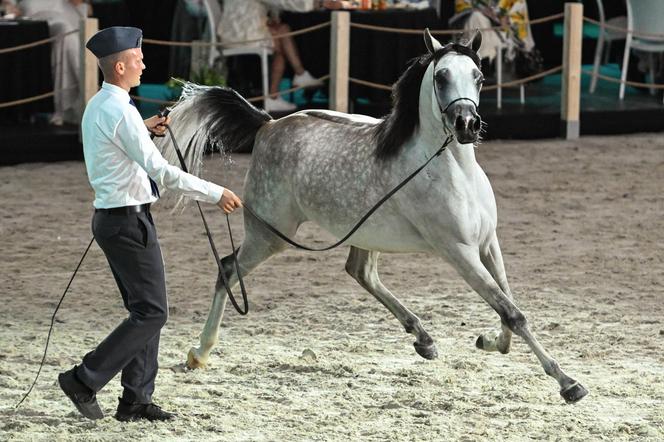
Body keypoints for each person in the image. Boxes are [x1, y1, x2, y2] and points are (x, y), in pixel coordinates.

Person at [57, 26, 243, 422]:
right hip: (127, 222)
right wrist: (215, 192)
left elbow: (117, 138)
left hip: (116, 220)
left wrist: (144, 128)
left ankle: (136, 399)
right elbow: (161, 169)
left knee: (144, 310)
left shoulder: (104, 106)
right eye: (138, 59)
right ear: (120, 65)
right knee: (153, 313)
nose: (144, 64)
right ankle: (84, 378)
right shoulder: (119, 110)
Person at [219, 0, 343, 112]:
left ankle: (292, 81)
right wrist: (318, 3)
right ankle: (288, 83)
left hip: (238, 27)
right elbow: (284, 1)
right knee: (282, 38)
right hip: (240, 32)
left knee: (283, 31)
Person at [6, 0, 93, 125]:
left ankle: (83, 97)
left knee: (71, 35)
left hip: (65, 9)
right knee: (64, 30)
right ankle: (80, 99)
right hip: (35, 11)